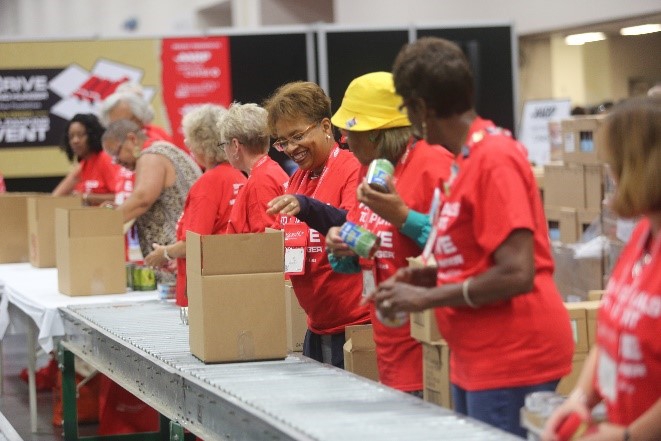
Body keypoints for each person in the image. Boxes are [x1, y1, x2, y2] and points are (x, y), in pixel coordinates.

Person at [366, 37, 573, 437]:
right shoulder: (466, 159)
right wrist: (427, 278)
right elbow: (478, 258)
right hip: (477, 356)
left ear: (422, 109)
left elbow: (517, 272)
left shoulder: (494, 158)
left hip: (512, 356)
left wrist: (426, 299)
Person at [325, 71, 454, 395]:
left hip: (432, 350)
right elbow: (366, 255)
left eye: (351, 131)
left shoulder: (434, 166)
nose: (343, 140)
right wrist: (340, 249)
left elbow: (461, 253)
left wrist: (404, 218)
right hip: (390, 348)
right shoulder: (368, 170)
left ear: (377, 134)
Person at [542, 97, 661, 441]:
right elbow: (613, 335)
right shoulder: (643, 235)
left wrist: (628, 436)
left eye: (614, 165)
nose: (609, 177)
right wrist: (581, 399)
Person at [263, 81, 370, 368]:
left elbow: (356, 230)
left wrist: (308, 207)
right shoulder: (299, 178)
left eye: (297, 135)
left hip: (356, 326)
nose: (290, 148)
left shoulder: (351, 168)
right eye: (283, 141)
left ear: (325, 126)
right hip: (317, 325)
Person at [143, 104, 246, 307]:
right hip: (229, 282)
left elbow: (195, 242)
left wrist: (163, 253)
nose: (186, 143)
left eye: (190, 139)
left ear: (202, 145)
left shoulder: (208, 184)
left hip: (203, 292)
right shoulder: (237, 176)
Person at [101, 119, 201, 262]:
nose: (117, 161)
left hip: (175, 258)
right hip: (181, 254)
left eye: (117, 153)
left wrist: (100, 226)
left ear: (132, 139)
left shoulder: (150, 156)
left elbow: (141, 200)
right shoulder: (162, 149)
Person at [220, 102, 289, 233]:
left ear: (235, 145)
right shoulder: (270, 170)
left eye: (224, 144)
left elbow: (265, 243)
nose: (224, 150)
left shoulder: (259, 183)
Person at [52, 113, 119, 205]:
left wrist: (87, 197)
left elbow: (122, 197)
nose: (75, 141)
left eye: (80, 135)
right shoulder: (83, 165)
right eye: (71, 137)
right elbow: (55, 197)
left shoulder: (105, 158)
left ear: (92, 135)